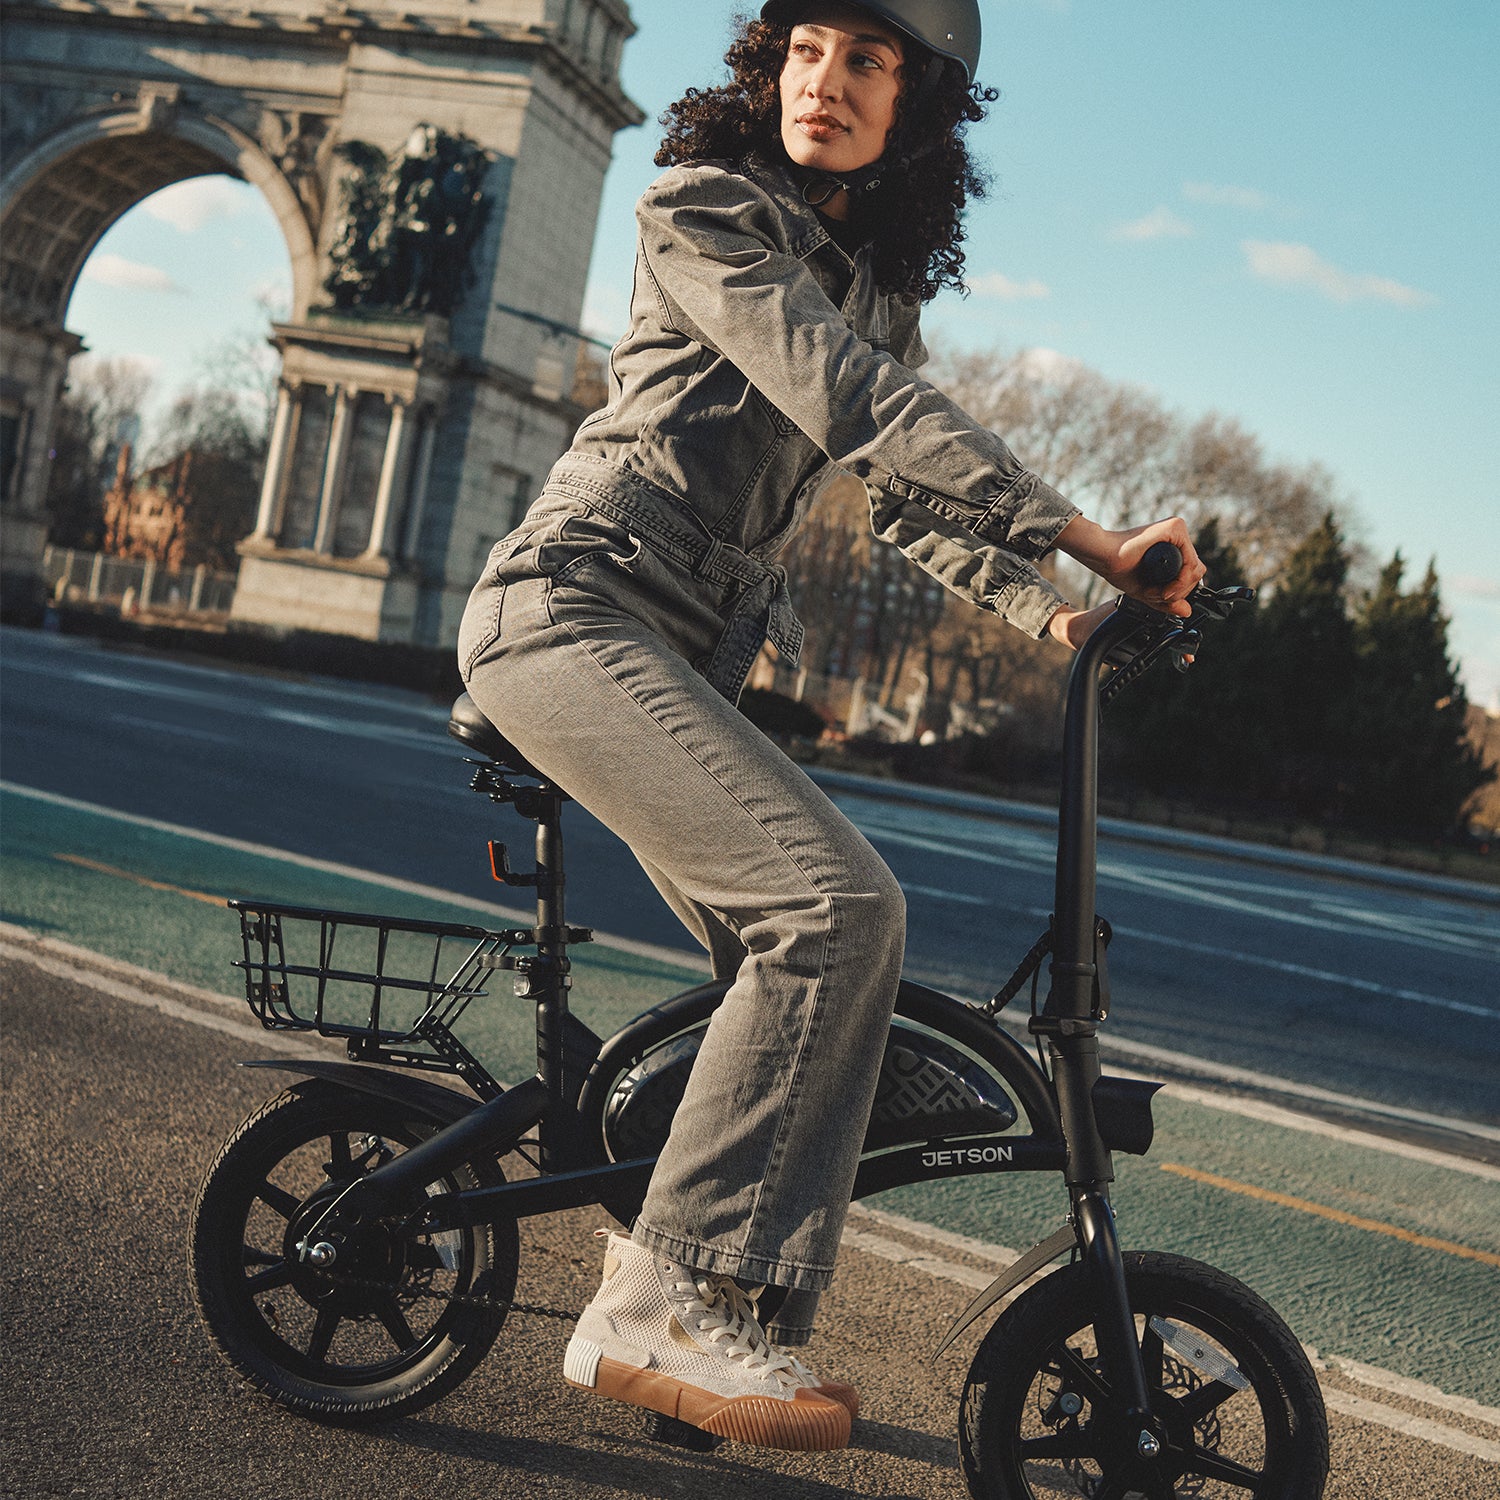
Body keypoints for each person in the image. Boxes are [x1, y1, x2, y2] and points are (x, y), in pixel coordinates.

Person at [457, 0, 1204, 1454]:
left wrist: (1056, 615)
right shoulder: (700, 210)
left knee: (800, 972)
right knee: (837, 911)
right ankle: (654, 1304)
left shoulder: (877, 289)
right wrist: (1091, 535)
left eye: (866, 60)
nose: (826, 80)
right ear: (767, 69)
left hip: (682, 651)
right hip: (569, 609)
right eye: (805, 49)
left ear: (918, 106)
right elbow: (849, 399)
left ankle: (722, 1316)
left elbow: (911, 495)